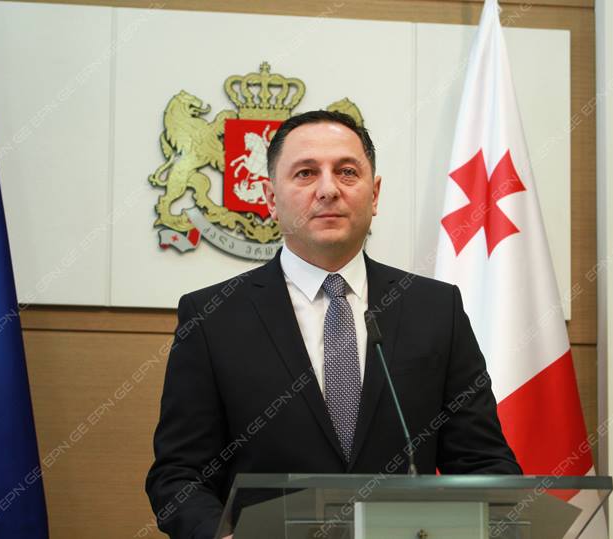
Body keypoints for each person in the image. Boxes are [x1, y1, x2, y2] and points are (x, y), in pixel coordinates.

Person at [145, 110, 521, 539]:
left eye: (347, 172)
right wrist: (220, 535)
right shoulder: (213, 316)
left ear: (374, 195)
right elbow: (179, 475)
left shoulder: (435, 309)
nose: (328, 189)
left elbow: (482, 461)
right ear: (270, 198)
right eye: (306, 173)